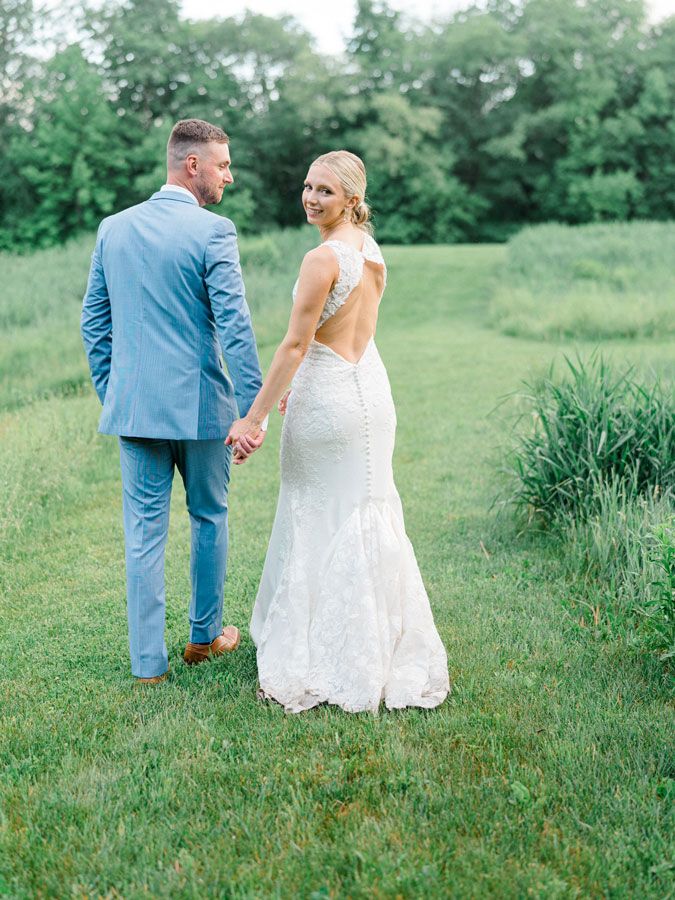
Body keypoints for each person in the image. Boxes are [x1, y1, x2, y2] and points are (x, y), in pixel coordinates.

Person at [227, 150, 450, 713]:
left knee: (316, 511)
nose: (310, 198)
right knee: (366, 508)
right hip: (370, 392)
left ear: (352, 198)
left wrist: (253, 417)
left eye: (324, 190)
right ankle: (378, 645)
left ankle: (320, 650)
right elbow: (350, 333)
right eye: (308, 186)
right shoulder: (372, 253)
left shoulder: (321, 258)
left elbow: (295, 345)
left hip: (329, 400)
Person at [81, 118, 265, 684]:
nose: (228, 176)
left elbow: (94, 323)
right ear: (193, 165)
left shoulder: (113, 228)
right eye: (223, 165)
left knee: (143, 533)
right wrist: (252, 411)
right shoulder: (214, 231)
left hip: (136, 410)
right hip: (203, 410)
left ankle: (147, 664)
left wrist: (117, 393)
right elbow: (235, 327)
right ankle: (203, 639)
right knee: (209, 516)